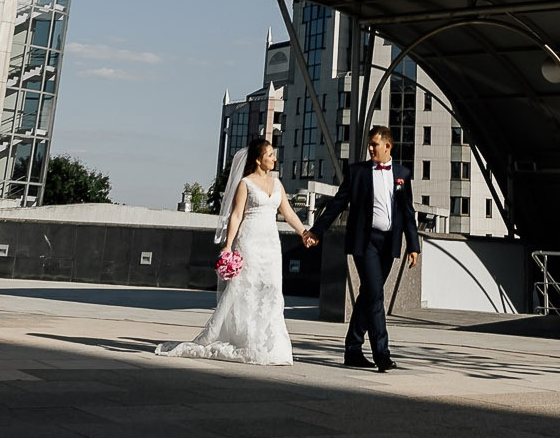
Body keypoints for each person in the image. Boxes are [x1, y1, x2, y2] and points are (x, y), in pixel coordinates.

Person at [156, 136, 316, 365]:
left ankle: (270, 343)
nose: (274, 158)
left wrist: (304, 233)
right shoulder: (246, 183)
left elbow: (288, 213)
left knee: (271, 288)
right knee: (245, 287)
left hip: (270, 243)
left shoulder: (277, 184)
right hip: (249, 239)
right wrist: (228, 245)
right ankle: (244, 337)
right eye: (270, 155)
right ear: (259, 160)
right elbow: (237, 215)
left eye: (273, 154)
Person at [309, 126, 418, 371]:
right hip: (365, 242)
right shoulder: (357, 172)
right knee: (376, 295)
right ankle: (382, 354)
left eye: (374, 145)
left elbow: (407, 211)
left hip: (389, 243)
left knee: (368, 294)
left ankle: (353, 349)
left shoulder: (402, 174)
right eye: (369, 145)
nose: (370, 149)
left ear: (387, 146)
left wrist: (413, 245)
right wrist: (317, 231)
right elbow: (337, 204)